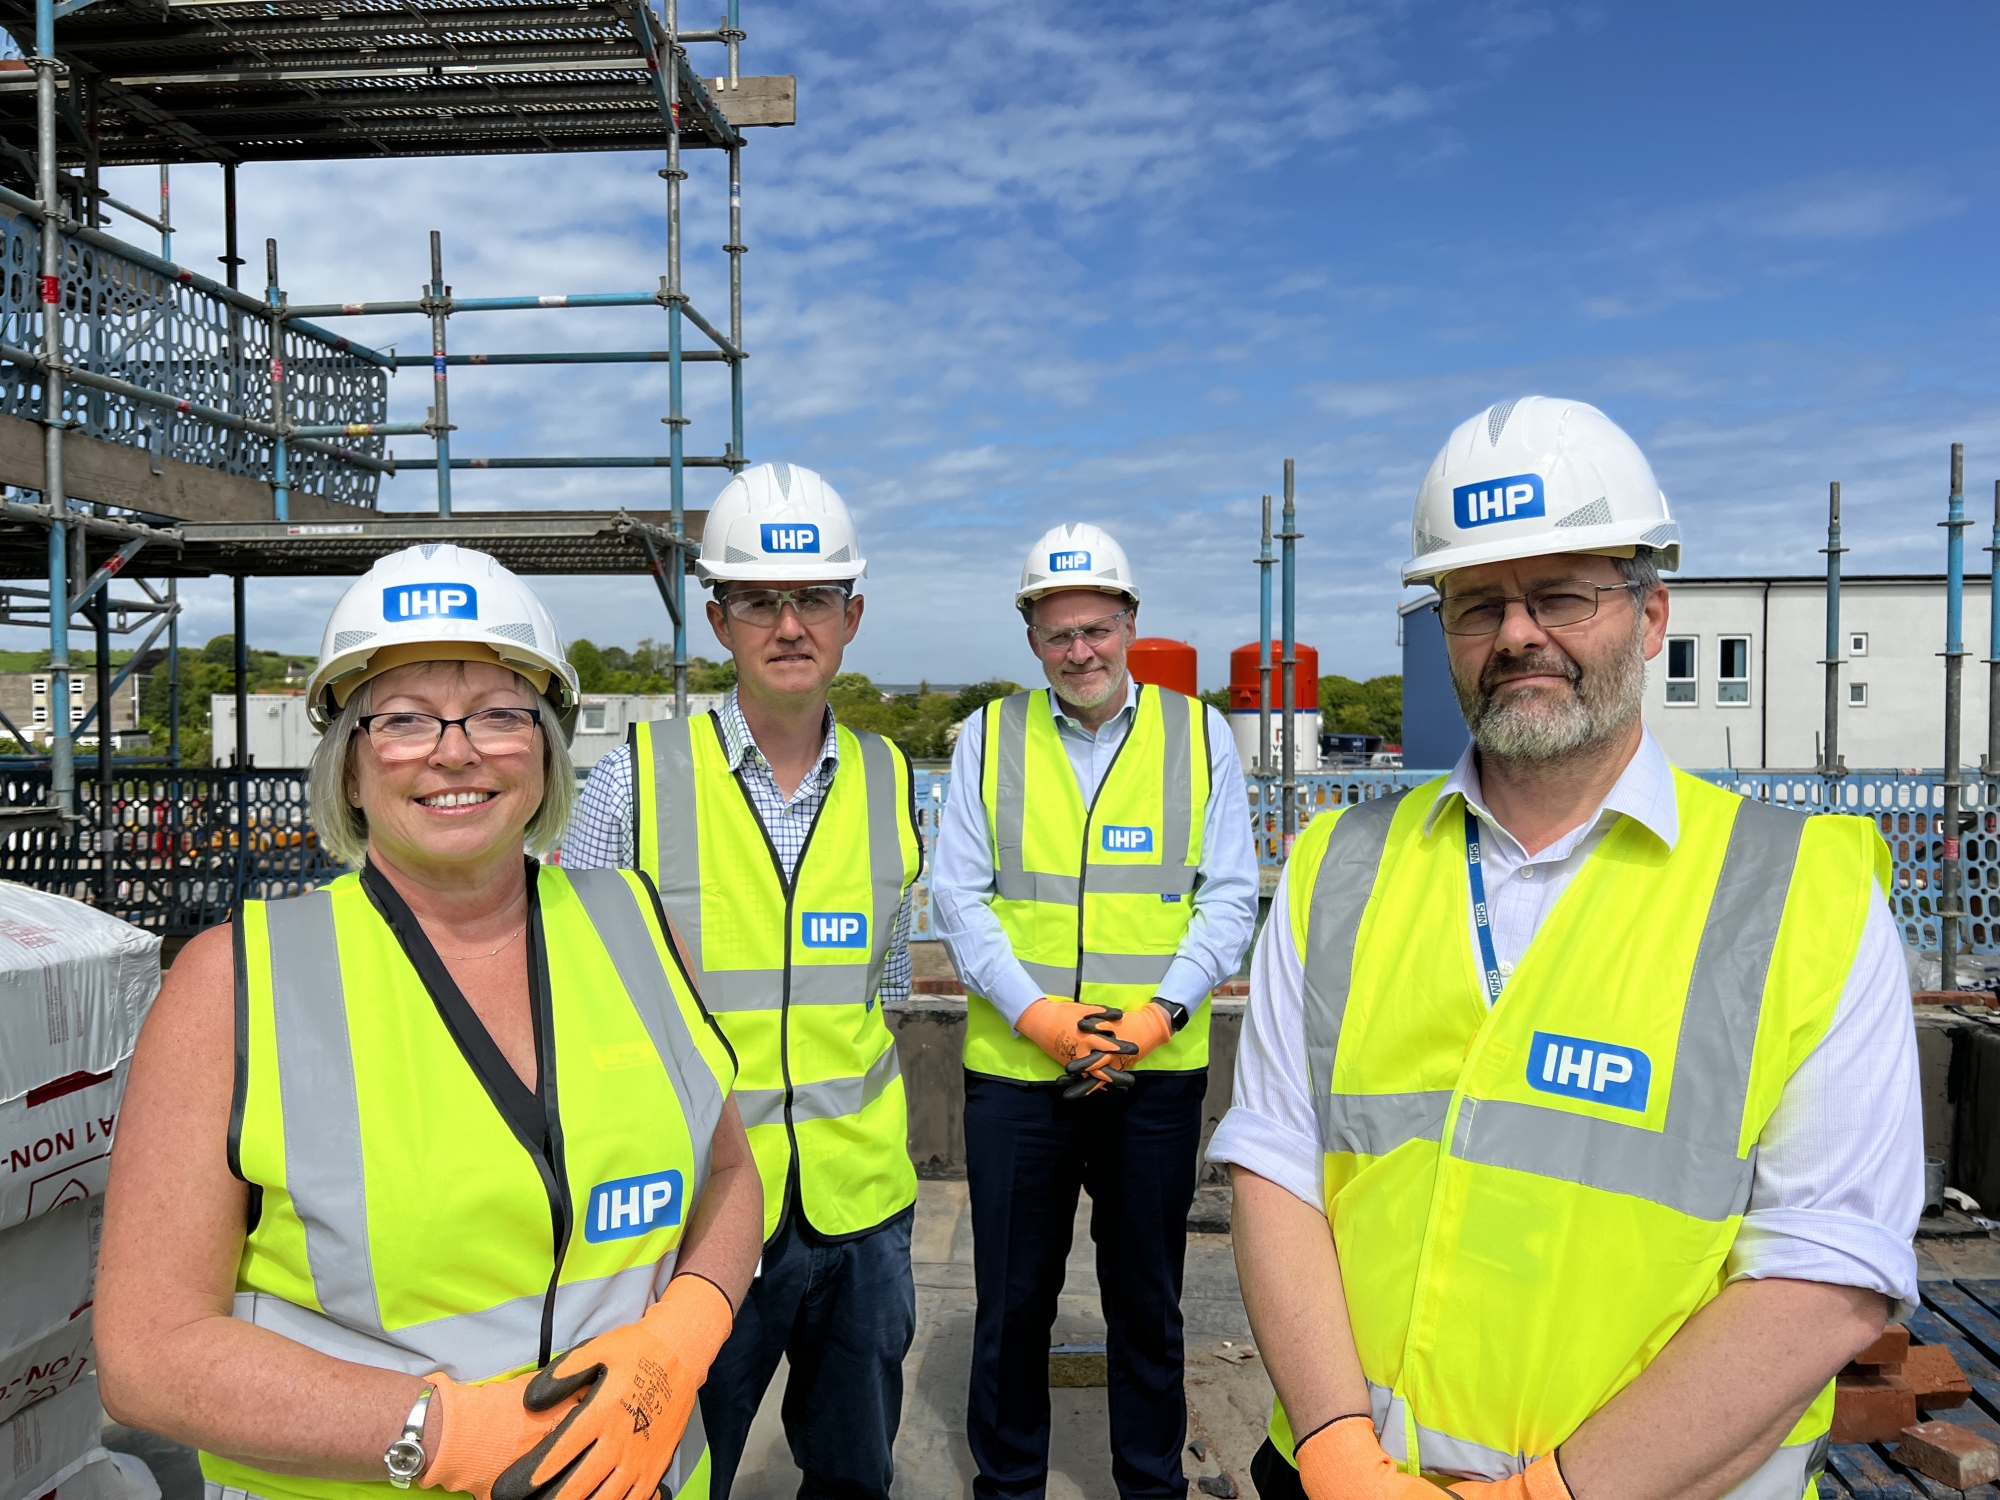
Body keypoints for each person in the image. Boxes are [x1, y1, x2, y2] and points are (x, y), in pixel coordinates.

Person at [1209, 396, 1923, 1500]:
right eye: (1474, 602)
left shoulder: (1802, 895)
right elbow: (1274, 1168)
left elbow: (1828, 1269)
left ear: (1649, 616)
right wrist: (1339, 1454)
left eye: (1561, 594)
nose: (1515, 635)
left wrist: (1554, 1491)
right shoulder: (1334, 866)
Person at [93, 544, 762, 1500]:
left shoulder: (638, 928)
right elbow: (151, 1353)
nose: (457, 750)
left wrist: (684, 1331)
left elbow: (728, 1173)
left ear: (543, 745)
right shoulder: (234, 983)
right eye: (404, 721)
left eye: (498, 714)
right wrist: (446, 1433)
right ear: (351, 768)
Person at [564, 462, 923, 1500]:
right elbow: (579, 990)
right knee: (672, 1475)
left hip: (859, 1214)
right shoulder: (636, 775)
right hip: (698, 1215)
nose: (789, 624)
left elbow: (881, 981)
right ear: (718, 620)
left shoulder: (891, 778)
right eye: (760, 599)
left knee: (856, 1477)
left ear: (851, 617)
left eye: (812, 598)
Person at [930, 522, 1259, 1500]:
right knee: (1013, 1305)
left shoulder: (1198, 734)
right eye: (1057, 632)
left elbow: (1228, 893)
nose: (1079, 650)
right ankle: (1009, 1485)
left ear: (1128, 624)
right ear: (1031, 638)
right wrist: (1036, 1015)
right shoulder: (988, 737)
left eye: (1095, 628)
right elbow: (958, 894)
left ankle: (1148, 1486)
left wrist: (1161, 1011)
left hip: (1149, 1073)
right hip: (1017, 1076)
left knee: (1146, 1303)